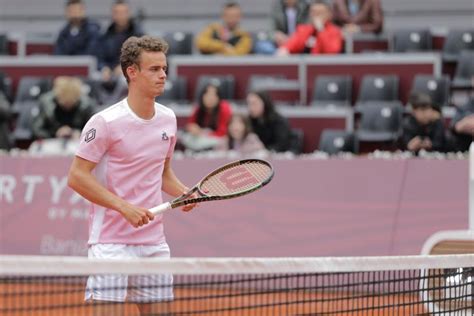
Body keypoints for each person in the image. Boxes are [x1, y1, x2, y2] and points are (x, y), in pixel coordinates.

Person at [68, 36, 196, 315]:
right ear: (132, 72)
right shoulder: (105, 123)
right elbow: (77, 177)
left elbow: (162, 174)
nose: (163, 75)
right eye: (154, 69)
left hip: (153, 243)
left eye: (164, 68)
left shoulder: (168, 119)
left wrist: (184, 193)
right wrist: (124, 207)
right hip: (110, 243)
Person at [31, 76, 96, 140]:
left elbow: (94, 130)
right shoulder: (46, 102)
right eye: (64, 103)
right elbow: (36, 129)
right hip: (51, 142)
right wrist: (54, 134)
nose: (67, 107)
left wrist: (81, 134)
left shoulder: (87, 104)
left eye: (71, 103)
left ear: (77, 98)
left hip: (78, 143)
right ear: (57, 97)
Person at [97, 0, 144, 81]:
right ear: (112, 14)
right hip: (110, 72)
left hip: (130, 71)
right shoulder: (105, 35)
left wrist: (125, 66)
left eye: (123, 12)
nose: (120, 16)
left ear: (128, 13)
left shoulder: (138, 34)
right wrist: (104, 67)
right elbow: (100, 56)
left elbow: (141, 57)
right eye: (117, 12)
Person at [276, 0, 343, 56]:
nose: (316, 16)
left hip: (325, 68)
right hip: (306, 67)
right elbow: (291, 45)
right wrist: (284, 50)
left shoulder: (334, 31)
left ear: (329, 14)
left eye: (320, 13)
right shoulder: (304, 29)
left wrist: (321, 30)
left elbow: (332, 52)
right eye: (313, 12)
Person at [181, 83, 233, 151]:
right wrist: (192, 128)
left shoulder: (224, 108)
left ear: (219, 98)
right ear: (202, 96)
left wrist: (202, 132)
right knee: (186, 138)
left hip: (216, 140)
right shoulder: (198, 108)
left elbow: (223, 132)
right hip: (200, 139)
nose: (210, 98)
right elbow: (190, 125)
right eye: (207, 95)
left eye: (213, 95)